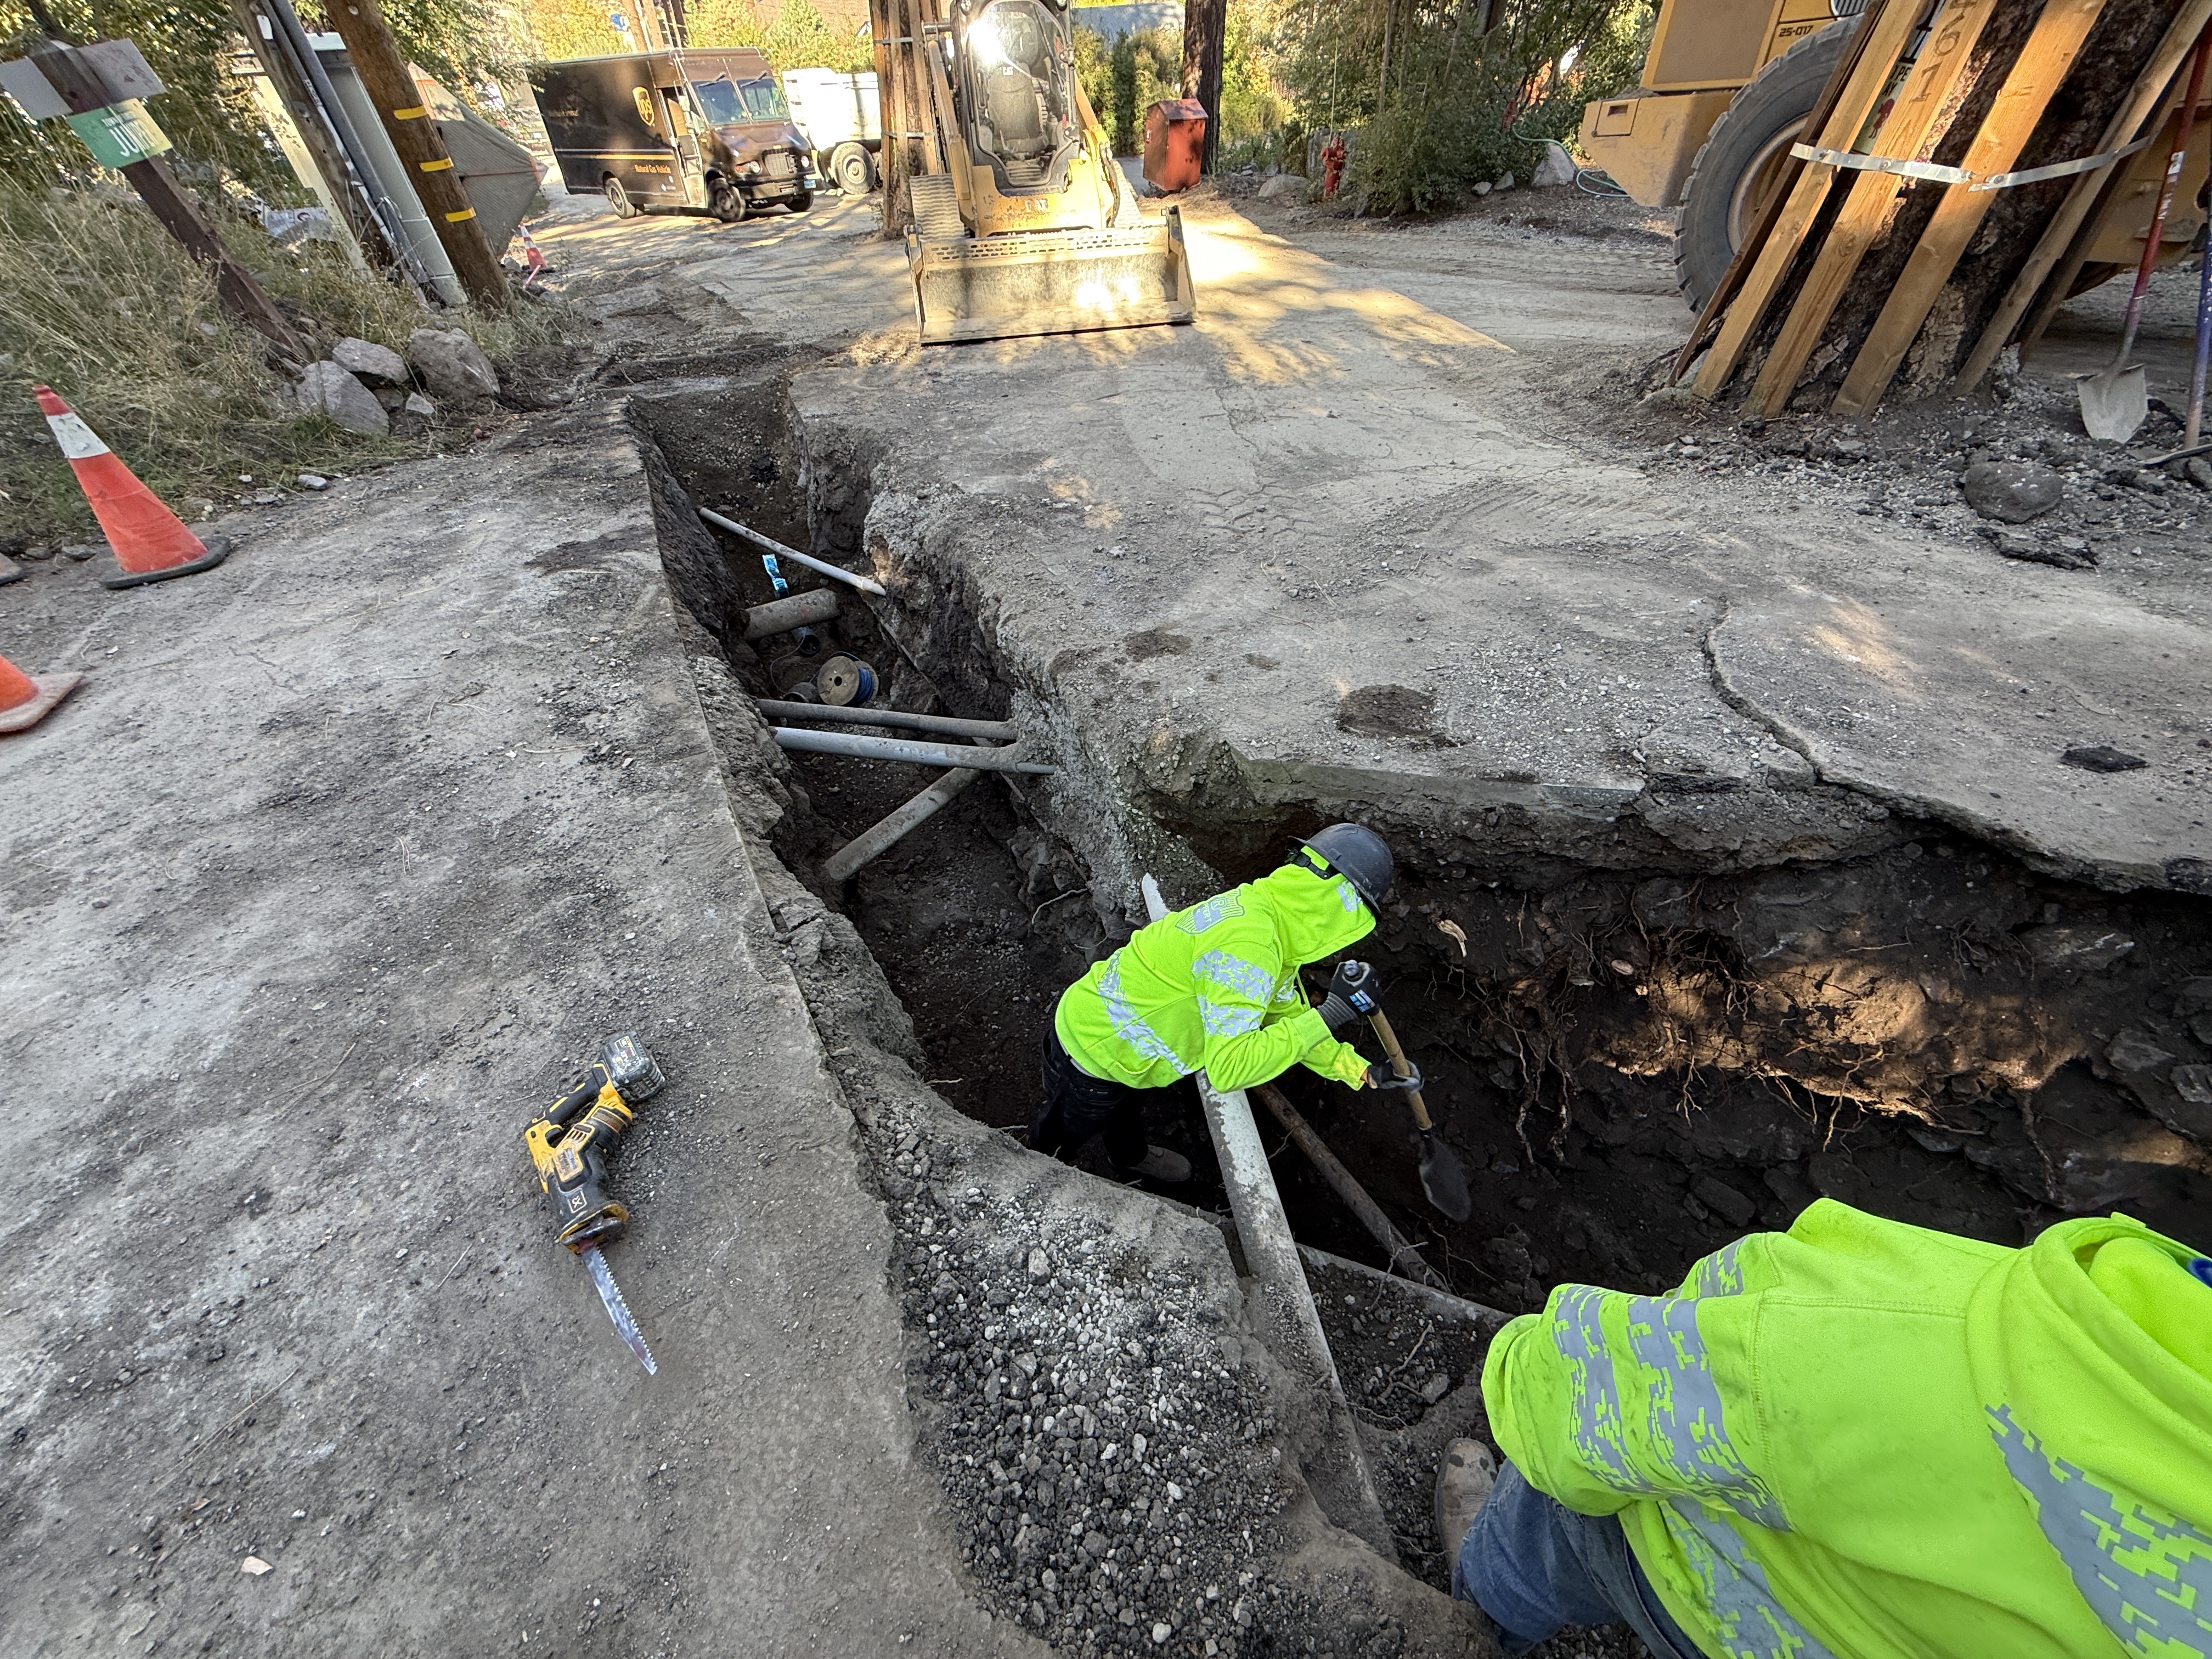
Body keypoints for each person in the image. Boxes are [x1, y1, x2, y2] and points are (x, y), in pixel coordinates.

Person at [1433, 1199, 2212, 1659]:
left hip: (1747, 1614)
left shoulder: (1915, 1336)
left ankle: (1482, 1610)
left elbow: (1582, 1398)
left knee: (1570, 1505)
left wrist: (1516, 1364)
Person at [1034, 823, 1422, 1184]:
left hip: (1130, 1045)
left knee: (1126, 1108)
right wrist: (1331, 1015)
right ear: (1341, 909)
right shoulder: (1250, 950)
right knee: (1066, 1130)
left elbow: (1285, 1014)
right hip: (1089, 1051)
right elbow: (1229, 1068)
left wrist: (1362, 1071)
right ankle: (1039, 1173)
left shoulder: (1267, 918)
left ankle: (1128, 1156)